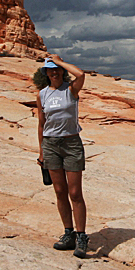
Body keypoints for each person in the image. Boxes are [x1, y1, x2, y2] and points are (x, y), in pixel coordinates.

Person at [36, 55, 89, 258]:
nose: (54, 72)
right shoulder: (42, 95)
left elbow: (81, 74)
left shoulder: (70, 90)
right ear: (46, 73)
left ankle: (82, 236)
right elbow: (41, 124)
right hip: (50, 144)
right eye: (50, 70)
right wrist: (41, 150)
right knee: (59, 191)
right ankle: (69, 234)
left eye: (56, 69)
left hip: (71, 144)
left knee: (75, 193)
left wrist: (58, 61)